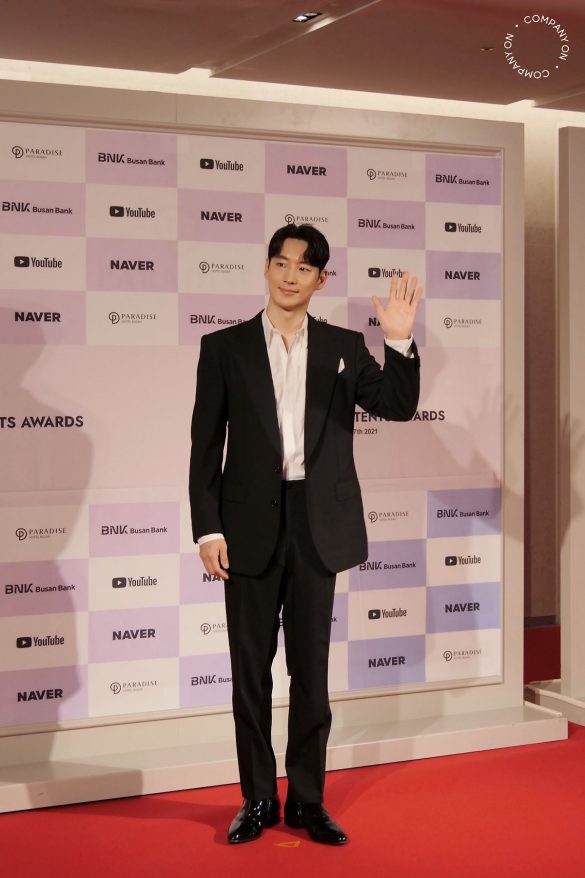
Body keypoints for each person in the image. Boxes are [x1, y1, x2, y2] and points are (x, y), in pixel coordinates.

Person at [189, 223, 422, 846]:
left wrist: (398, 339)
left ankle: (308, 801)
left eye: (304, 267)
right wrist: (207, 528)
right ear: (267, 268)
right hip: (247, 527)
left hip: (318, 526)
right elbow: (205, 446)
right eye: (281, 263)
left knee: (311, 673)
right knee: (250, 672)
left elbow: (397, 406)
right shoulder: (225, 347)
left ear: (322, 279)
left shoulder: (343, 345)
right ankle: (258, 799)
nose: (290, 276)